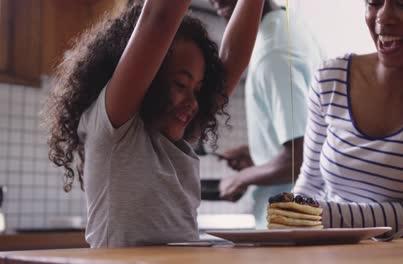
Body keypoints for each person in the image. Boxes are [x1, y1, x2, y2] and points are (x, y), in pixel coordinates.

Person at [43, 0, 265, 248]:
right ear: (147, 77)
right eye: (180, 85)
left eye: (198, 90)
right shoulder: (116, 128)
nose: (193, 102)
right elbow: (159, 18)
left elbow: (232, 58)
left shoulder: (175, 136)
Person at [294, 0, 403, 236]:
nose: (383, 17)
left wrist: (310, 214)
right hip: (325, 253)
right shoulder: (330, 78)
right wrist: (289, 217)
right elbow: (310, 183)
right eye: (373, 2)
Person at [210, 0, 325, 228]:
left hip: (289, 224)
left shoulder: (273, 53)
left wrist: (239, 179)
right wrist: (260, 155)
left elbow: (299, 157)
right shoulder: (289, 25)